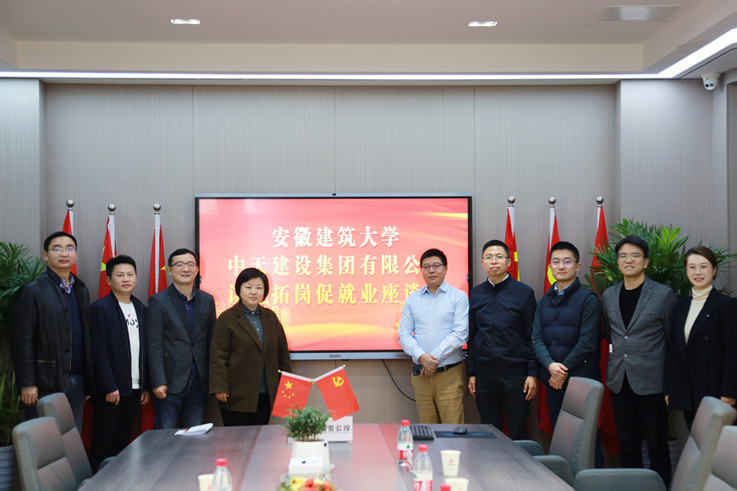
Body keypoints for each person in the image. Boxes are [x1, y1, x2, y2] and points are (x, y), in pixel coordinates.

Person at [601, 236, 676, 487]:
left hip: (653, 383)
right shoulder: (609, 295)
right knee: (627, 443)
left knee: (657, 445)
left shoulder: (663, 295)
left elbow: (672, 341)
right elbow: (613, 335)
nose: (628, 260)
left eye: (635, 256)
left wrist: (670, 384)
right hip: (620, 380)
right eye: (623, 256)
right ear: (617, 261)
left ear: (645, 262)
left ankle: (660, 487)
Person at [11, 231, 94, 431]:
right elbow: (22, 341)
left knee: (72, 438)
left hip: (78, 379)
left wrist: (88, 380)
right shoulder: (33, 290)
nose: (64, 253)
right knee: (46, 439)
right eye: (57, 249)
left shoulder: (81, 289)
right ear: (46, 255)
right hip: (45, 382)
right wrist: (27, 383)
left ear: (75, 254)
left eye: (69, 249)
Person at [467, 239, 537, 439]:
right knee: (489, 432)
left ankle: (519, 462)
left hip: (517, 375)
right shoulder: (476, 294)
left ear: (508, 262)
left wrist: (532, 373)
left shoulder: (524, 293)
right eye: (489, 257)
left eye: (499, 257)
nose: (494, 261)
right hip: (484, 375)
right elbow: (472, 336)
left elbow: (532, 335)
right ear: (483, 262)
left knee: (517, 431)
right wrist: (472, 373)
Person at [89, 255, 150, 471]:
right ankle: (97, 483)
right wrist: (109, 386)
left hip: (134, 388)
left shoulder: (140, 308)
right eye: (120, 275)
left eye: (130, 275)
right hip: (111, 390)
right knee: (104, 442)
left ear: (136, 278)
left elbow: (145, 350)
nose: (126, 279)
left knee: (123, 441)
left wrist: (145, 386)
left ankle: (119, 482)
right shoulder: (101, 308)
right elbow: (98, 350)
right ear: (108, 280)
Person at [531, 241, 601, 428]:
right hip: (552, 379)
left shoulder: (588, 300)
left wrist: (561, 371)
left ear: (578, 266)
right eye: (556, 262)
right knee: (560, 433)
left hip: (582, 380)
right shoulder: (544, 301)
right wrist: (550, 366)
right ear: (550, 267)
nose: (561, 266)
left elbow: (587, 342)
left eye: (567, 261)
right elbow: (536, 338)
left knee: (585, 436)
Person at [665, 246, 737, 428]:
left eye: (703, 266)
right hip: (687, 390)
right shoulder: (680, 306)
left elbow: (733, 352)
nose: (697, 272)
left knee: (717, 442)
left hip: (716, 391)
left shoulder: (726, 305)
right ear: (686, 271)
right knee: (696, 440)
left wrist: (729, 391)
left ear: (714, 270)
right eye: (692, 267)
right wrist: (669, 388)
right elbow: (673, 350)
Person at [209, 268, 292, 426]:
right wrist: (220, 387)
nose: (254, 292)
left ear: (264, 292)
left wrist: (287, 383)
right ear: (239, 289)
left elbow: (282, 353)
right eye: (248, 287)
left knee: (259, 437)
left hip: (265, 393)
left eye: (259, 288)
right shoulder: (227, 318)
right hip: (235, 394)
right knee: (237, 439)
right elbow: (217, 356)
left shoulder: (271, 317)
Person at [398, 248, 469, 424]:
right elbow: (404, 334)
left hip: (449, 374)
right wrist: (422, 357)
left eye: (436, 265)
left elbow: (461, 333)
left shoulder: (458, 297)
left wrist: (433, 359)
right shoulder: (412, 298)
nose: (431, 270)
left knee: (453, 429)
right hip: (421, 376)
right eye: (426, 267)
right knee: (427, 429)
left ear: (446, 268)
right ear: (421, 270)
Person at [147, 248, 216, 429]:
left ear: (197, 269)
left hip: (198, 382)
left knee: (194, 435)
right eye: (179, 264)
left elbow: (211, 342)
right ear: (169, 270)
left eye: (190, 264)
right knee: (166, 435)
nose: (185, 269)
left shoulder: (207, 300)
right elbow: (154, 345)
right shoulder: (158, 301)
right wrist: (158, 381)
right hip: (169, 383)